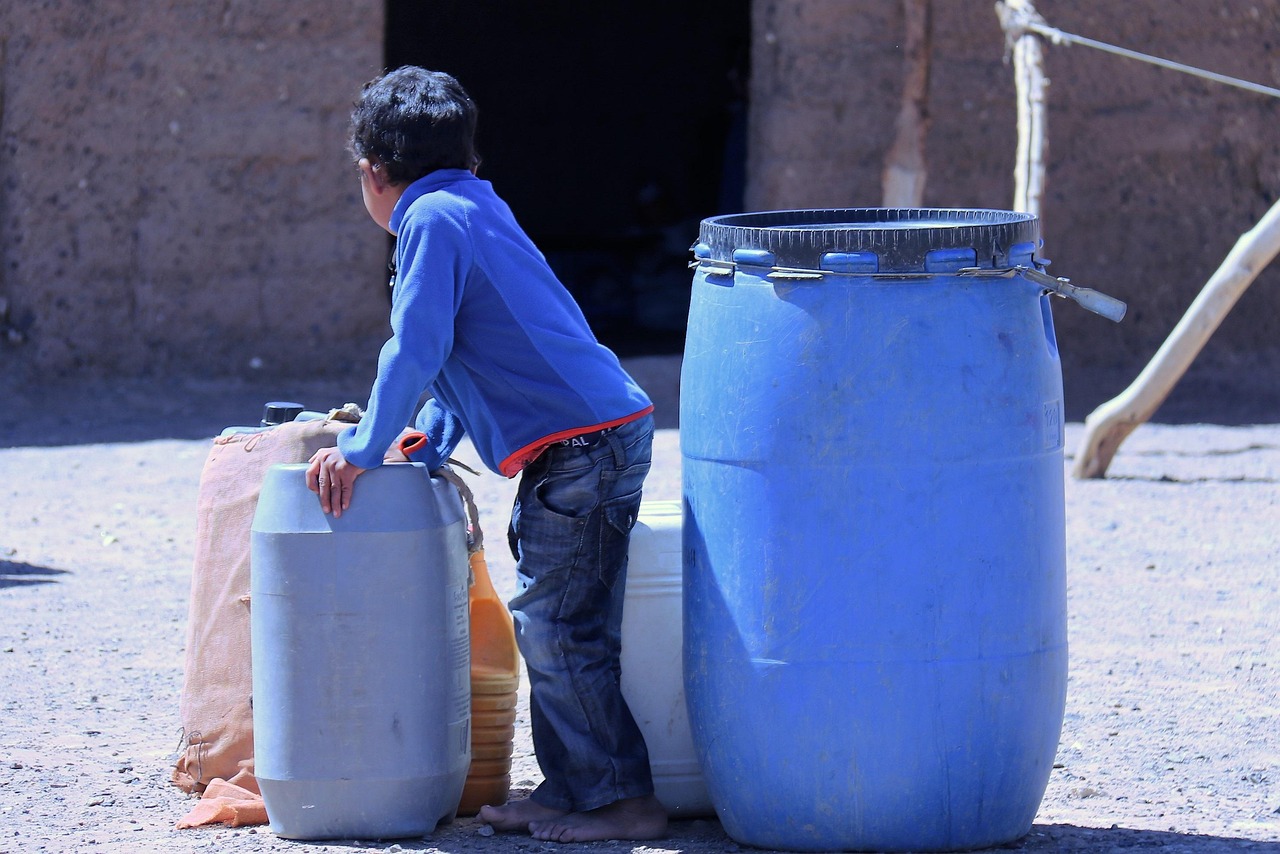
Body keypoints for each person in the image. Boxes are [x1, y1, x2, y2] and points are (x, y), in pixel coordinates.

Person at [305, 66, 667, 844]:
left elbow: (416, 348)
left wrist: (362, 448)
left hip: (585, 447)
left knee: (560, 627)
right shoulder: (474, 203)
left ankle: (620, 800)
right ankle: (574, 788)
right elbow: (461, 359)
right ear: (469, 156)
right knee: (559, 620)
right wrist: (428, 442)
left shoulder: (429, 218)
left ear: (372, 173)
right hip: (594, 437)